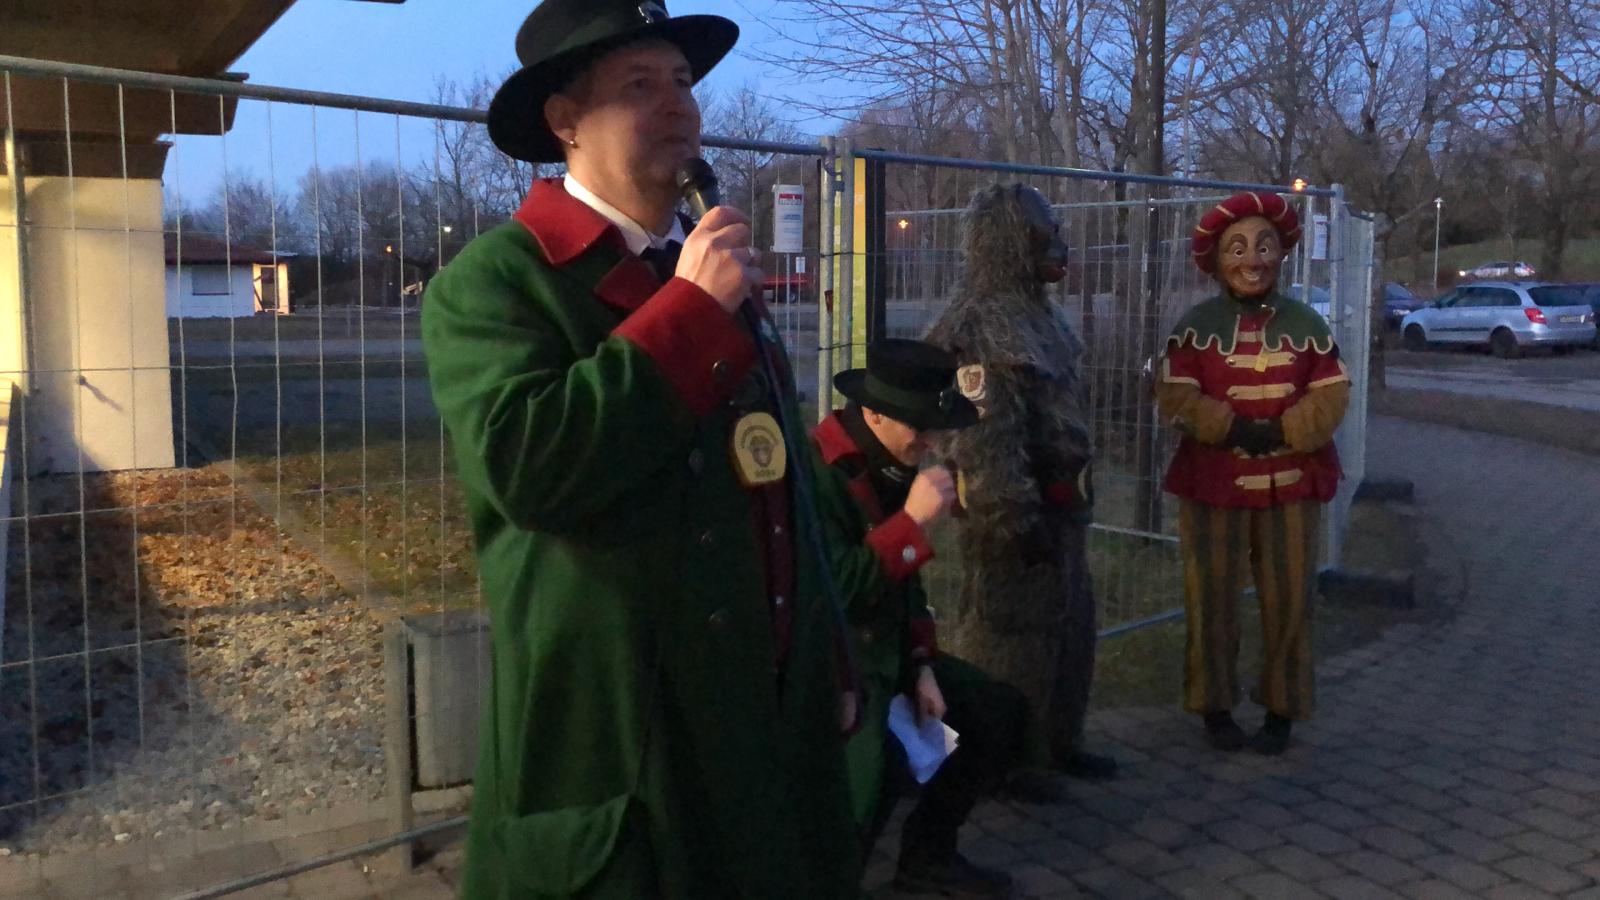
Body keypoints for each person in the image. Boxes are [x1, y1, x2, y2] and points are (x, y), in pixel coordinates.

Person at [421, 1, 861, 896]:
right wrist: (690, 313)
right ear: (565, 121)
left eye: (683, 81)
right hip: (623, 735)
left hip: (762, 707)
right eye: (638, 85)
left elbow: (780, 481)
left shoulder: (709, 269)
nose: (678, 104)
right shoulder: (497, 281)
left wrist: (831, 656)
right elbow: (531, 468)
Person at [812, 339, 1030, 898]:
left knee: (993, 711)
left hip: (888, 655)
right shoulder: (822, 472)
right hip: (831, 667)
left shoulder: (891, 462)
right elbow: (837, 592)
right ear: (875, 413)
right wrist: (911, 525)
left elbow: (905, 589)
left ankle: (928, 857)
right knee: (874, 767)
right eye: (920, 427)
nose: (930, 442)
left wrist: (922, 664)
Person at [924, 184, 1117, 780]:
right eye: (1044, 235)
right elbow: (983, 437)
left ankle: (1057, 741)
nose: (1058, 245)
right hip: (1017, 515)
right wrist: (1012, 517)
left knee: (1069, 628)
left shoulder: (1039, 315)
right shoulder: (984, 326)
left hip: (1062, 507)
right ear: (1010, 244)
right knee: (1009, 637)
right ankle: (1004, 759)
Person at [1155, 190, 1351, 756]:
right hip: (1213, 485)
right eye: (1237, 248)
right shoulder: (1195, 326)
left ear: (1281, 254)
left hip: (1293, 486)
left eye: (1264, 246)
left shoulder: (1307, 323)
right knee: (1211, 597)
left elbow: (1332, 393)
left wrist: (1286, 430)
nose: (1253, 259)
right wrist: (1232, 427)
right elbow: (1175, 395)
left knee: (1290, 599)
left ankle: (1283, 708)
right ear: (1218, 259)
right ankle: (1213, 705)